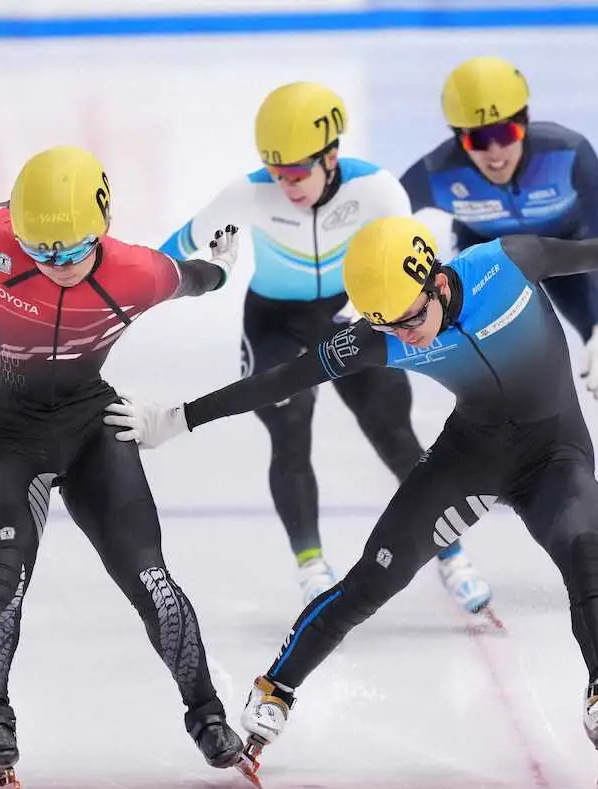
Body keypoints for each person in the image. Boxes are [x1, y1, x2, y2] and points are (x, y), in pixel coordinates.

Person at [103, 214, 598, 766]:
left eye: (412, 318)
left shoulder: (503, 265)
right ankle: (277, 689)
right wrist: (179, 417)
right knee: (373, 579)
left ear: (437, 282)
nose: (409, 336)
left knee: (585, 552)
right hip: (470, 457)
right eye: (390, 326)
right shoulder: (377, 335)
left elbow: (585, 251)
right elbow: (278, 380)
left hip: (553, 456)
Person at [0, 145, 246, 789]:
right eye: (40, 251)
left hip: (91, 426)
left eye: (70, 251)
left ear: (103, 227)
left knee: (151, 579)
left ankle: (206, 713)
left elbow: (191, 279)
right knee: (2, 580)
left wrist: (222, 271)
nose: (55, 265)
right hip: (2, 436)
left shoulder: (137, 273)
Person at [158, 82, 492, 611]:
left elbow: (415, 263)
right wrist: (140, 292)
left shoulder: (378, 190)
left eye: (296, 171)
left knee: (396, 436)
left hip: (356, 314)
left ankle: (449, 552)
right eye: (275, 171)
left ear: (331, 155)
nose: (285, 184)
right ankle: (311, 564)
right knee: (289, 439)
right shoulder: (246, 194)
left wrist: (372, 315)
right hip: (275, 324)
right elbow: (169, 255)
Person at [400, 55, 598, 585]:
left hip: (573, 256)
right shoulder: (438, 172)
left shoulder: (567, 154)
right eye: (479, 140)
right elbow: (377, 215)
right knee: (492, 380)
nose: (496, 150)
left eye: (506, 131)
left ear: (524, 121)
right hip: (493, 270)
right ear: (458, 139)